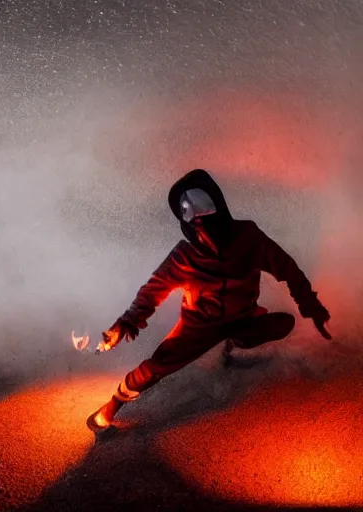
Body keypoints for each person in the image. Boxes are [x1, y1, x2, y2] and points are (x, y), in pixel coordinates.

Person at [87, 169, 331, 433]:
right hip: (199, 326)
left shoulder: (248, 238)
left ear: (218, 205)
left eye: (203, 207)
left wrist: (311, 305)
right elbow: (152, 291)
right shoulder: (185, 256)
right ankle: (112, 406)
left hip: (242, 317)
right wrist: (127, 322)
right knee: (158, 365)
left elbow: (288, 269)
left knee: (283, 323)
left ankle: (233, 344)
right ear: (184, 220)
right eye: (189, 213)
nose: (200, 221)